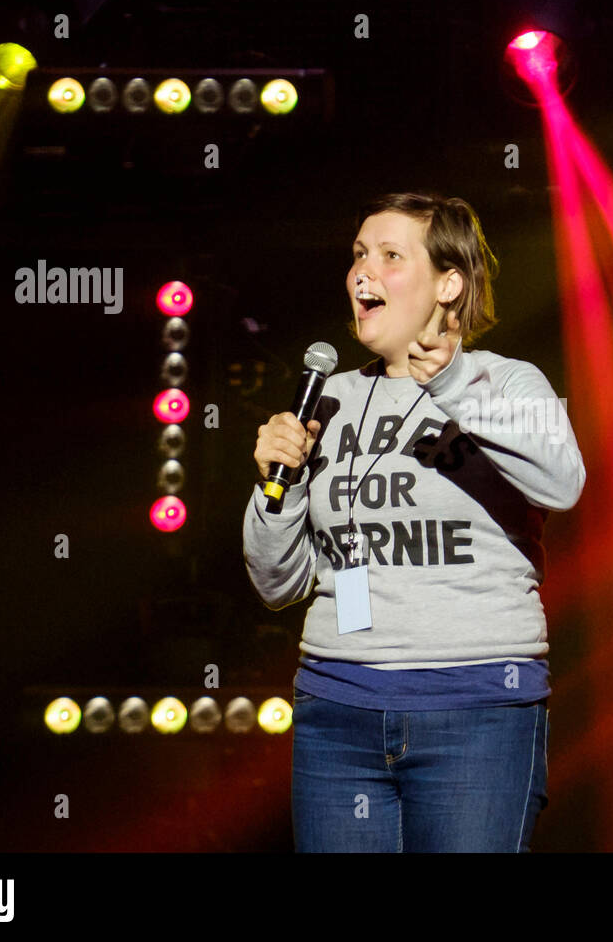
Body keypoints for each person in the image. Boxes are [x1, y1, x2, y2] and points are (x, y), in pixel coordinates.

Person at [242, 191, 586, 852]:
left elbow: (562, 481)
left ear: (448, 283)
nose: (363, 274)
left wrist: (452, 389)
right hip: (337, 711)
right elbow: (277, 583)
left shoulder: (510, 383)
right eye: (358, 256)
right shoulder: (333, 398)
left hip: (476, 712)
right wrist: (273, 487)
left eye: (390, 256)